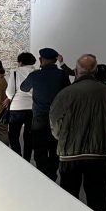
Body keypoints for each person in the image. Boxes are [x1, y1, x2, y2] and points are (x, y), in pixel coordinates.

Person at [49, 54, 106, 211]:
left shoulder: (66, 93)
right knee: (98, 199)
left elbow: (54, 120)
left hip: (70, 154)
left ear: (76, 71)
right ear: (95, 71)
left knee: (69, 196)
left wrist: (63, 138)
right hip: (98, 154)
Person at [20, 48, 72, 181]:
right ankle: (53, 175)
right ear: (55, 60)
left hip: (39, 118)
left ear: (41, 60)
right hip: (58, 118)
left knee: (39, 150)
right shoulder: (62, 75)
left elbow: (23, 88)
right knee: (55, 149)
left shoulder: (35, 75)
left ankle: (43, 177)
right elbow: (68, 91)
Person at [5, 53, 37, 160]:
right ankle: (27, 160)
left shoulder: (15, 73)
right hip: (32, 108)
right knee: (29, 136)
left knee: (13, 136)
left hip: (16, 108)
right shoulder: (37, 73)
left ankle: (18, 158)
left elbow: (10, 93)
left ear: (21, 62)